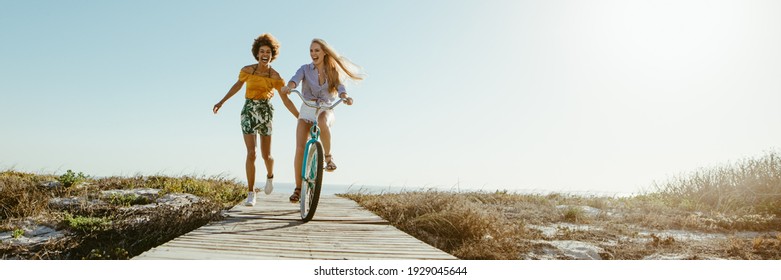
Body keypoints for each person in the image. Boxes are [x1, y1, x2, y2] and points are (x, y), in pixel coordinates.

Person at [213, 33, 298, 206]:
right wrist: (221, 102)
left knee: (267, 156)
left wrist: (299, 117)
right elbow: (237, 85)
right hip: (248, 111)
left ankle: (270, 176)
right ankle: (251, 192)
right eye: (262, 51)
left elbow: (286, 100)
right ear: (257, 53)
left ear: (272, 55)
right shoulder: (247, 70)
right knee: (252, 153)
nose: (264, 54)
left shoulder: (275, 77)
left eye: (268, 51)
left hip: (265, 111)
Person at [281, 38, 363, 203]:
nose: (313, 54)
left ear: (324, 52)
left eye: (317, 50)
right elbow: (295, 79)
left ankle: (328, 157)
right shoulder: (305, 69)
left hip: (325, 108)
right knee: (299, 148)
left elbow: (340, 87)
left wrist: (345, 97)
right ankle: (298, 188)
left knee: (323, 122)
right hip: (307, 108)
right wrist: (289, 87)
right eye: (311, 51)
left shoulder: (332, 70)